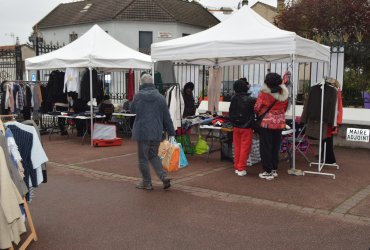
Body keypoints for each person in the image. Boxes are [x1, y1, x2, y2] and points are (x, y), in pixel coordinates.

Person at [130, 74, 175, 190]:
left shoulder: (138, 96)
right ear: (152, 83)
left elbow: (132, 109)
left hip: (142, 132)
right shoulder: (160, 97)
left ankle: (147, 182)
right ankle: (163, 176)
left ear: (141, 83)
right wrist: (172, 132)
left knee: (143, 158)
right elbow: (167, 117)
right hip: (156, 131)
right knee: (153, 155)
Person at [254, 73, 289, 180]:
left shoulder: (264, 94)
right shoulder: (284, 93)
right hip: (280, 123)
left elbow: (257, 107)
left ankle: (267, 171)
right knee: (275, 146)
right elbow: (286, 107)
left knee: (266, 147)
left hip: (266, 123)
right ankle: (274, 169)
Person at [229, 80, 256, 176]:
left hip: (236, 126)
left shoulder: (233, 98)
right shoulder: (251, 99)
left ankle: (237, 166)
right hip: (247, 127)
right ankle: (241, 168)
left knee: (237, 147)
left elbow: (231, 112)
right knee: (245, 148)